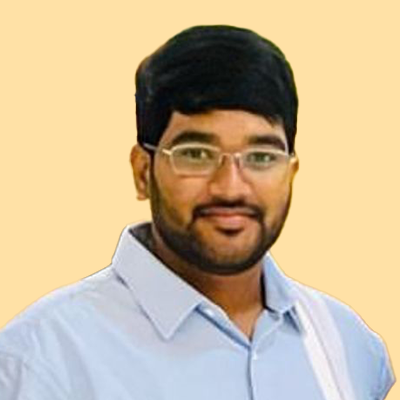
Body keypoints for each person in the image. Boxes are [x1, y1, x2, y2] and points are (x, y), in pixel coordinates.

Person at [0, 25, 395, 400]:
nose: (230, 188)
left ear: (291, 172)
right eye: (196, 154)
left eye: (261, 156)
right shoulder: (42, 360)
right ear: (142, 172)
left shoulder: (349, 346)